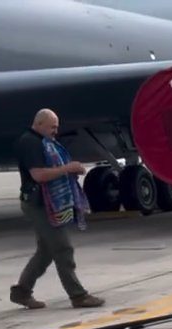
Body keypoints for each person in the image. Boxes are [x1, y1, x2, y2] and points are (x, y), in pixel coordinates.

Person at [9, 108, 104, 310]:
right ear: (40, 124)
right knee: (63, 248)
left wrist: (68, 171)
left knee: (45, 252)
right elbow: (39, 175)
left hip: (45, 201)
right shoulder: (30, 142)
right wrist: (67, 169)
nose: (55, 131)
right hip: (38, 204)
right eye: (53, 127)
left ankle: (21, 291)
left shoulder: (44, 141)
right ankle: (78, 296)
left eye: (57, 127)